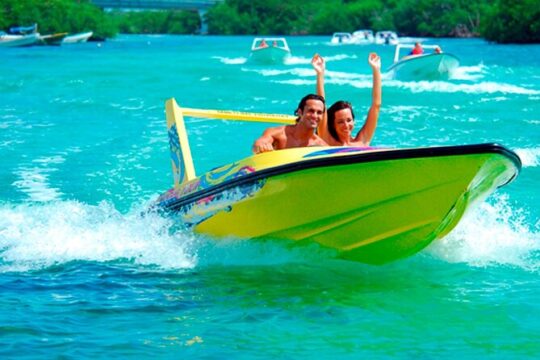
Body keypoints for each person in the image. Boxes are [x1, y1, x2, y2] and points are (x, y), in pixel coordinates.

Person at [311, 53, 381, 146]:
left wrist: (376, 70)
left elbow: (376, 105)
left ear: (354, 121)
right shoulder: (327, 141)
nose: (346, 125)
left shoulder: (362, 141)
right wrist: (320, 73)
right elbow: (321, 106)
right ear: (333, 125)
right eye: (340, 122)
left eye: (349, 120)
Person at [252, 94, 327, 153]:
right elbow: (260, 143)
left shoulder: (321, 145)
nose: (315, 116)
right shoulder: (278, 134)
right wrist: (260, 145)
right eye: (311, 111)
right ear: (300, 112)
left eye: (319, 112)